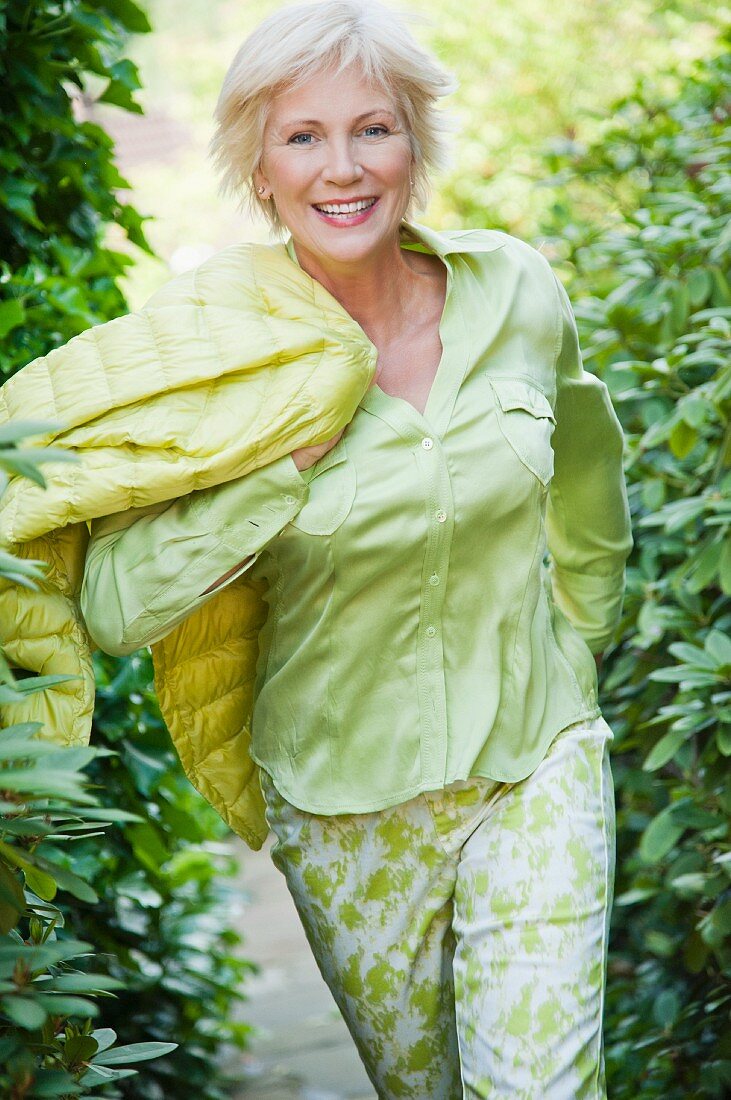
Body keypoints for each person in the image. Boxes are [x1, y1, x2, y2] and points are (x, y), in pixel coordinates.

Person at [78, 2, 633, 1096]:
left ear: (415, 143)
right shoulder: (226, 357)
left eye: (373, 128)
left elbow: (584, 469)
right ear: (258, 167)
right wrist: (276, 472)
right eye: (302, 136)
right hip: (344, 808)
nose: (344, 167)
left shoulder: (513, 290)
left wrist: (578, 642)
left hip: (534, 757)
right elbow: (114, 604)